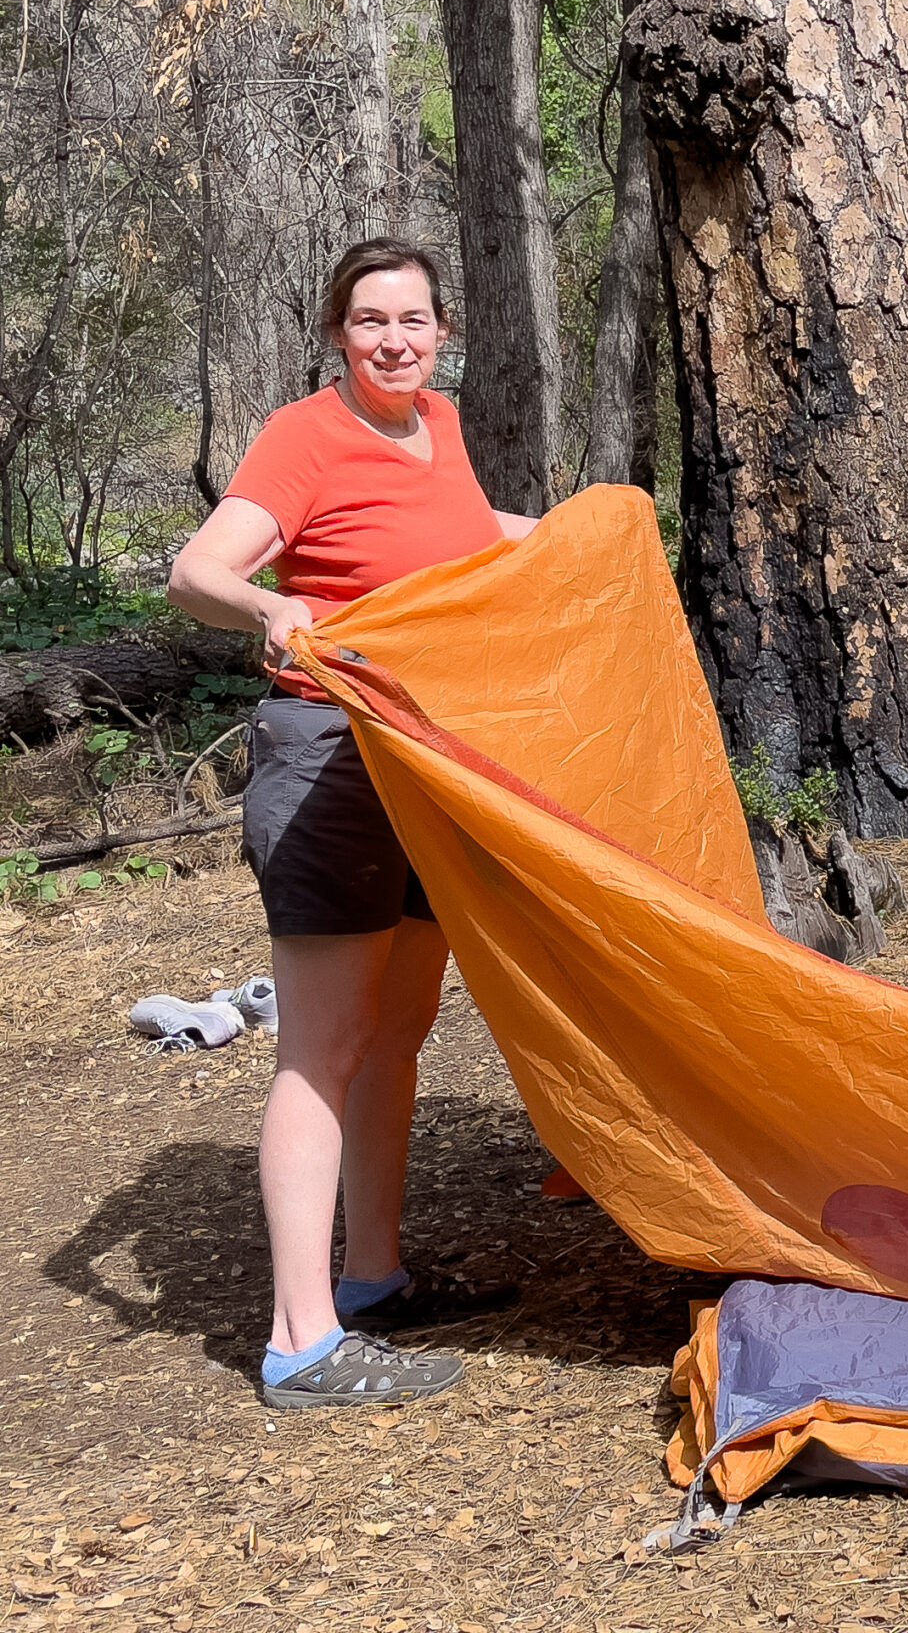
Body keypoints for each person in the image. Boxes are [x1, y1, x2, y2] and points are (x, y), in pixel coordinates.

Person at [170, 239, 538, 1407]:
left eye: (414, 320)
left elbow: (471, 539)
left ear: (442, 332)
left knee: (397, 1033)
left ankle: (373, 1276)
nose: (394, 339)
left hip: (429, 757)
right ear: (339, 332)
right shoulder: (303, 435)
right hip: (329, 755)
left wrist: (595, 534)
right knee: (323, 1048)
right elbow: (196, 571)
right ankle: (302, 1340)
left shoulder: (440, 425)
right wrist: (273, 600)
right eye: (371, 319)